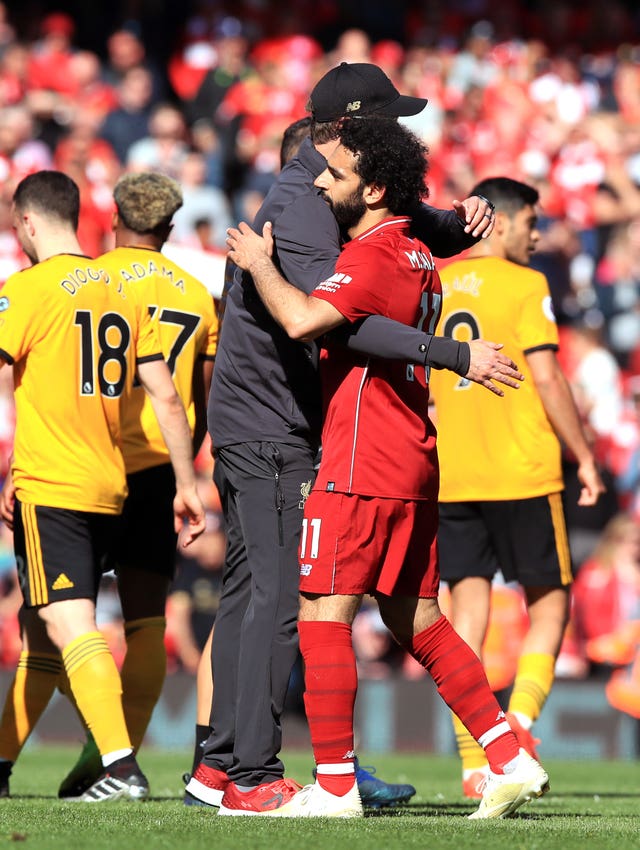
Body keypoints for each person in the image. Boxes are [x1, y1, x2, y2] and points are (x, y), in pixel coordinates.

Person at [186, 61, 523, 812]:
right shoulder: (304, 204)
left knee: (265, 596)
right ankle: (252, 775)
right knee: (288, 603)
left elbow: (395, 228)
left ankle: (235, 768)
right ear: (350, 131)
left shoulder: (339, 190)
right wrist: (456, 353)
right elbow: (330, 318)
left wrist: (448, 225)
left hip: (286, 423)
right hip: (277, 424)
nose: (400, 131)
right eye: (390, 121)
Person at [0, 170, 205, 801]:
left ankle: (119, 766)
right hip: (114, 479)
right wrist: (187, 481)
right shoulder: (126, 289)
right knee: (52, 629)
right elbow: (169, 395)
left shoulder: (26, 290)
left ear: (29, 223)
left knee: (66, 623)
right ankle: (4, 765)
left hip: (54, 480)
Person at [428, 176, 605, 799]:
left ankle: (475, 765)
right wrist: (584, 456)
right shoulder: (528, 284)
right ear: (500, 222)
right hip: (522, 469)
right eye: (530, 220)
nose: (536, 232)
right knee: (552, 605)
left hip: (452, 475)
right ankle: (520, 725)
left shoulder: (436, 282)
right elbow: (549, 378)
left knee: (465, 619)